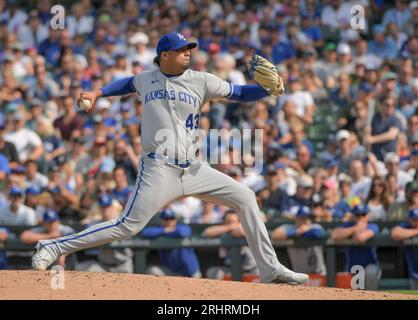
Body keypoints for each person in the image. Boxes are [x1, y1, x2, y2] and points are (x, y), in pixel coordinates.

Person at [32, 32, 309, 285]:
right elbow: (126, 84)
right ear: (164, 55)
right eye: (181, 49)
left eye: (189, 48)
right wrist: (98, 92)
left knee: (246, 197)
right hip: (158, 168)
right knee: (127, 226)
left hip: (194, 168)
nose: (188, 52)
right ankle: (53, 246)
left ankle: (270, 269)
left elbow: (239, 93)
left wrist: (266, 89)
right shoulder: (146, 78)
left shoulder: (201, 79)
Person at [331, 204, 381, 290]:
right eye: (358, 215)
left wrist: (351, 233)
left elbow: (360, 238)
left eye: (363, 214)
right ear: (353, 216)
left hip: (370, 266)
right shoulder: (350, 225)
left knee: (371, 272)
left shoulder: (372, 226)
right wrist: (354, 229)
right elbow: (334, 234)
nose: (361, 217)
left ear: (367, 215)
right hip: (353, 268)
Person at [141, 208, 201, 278]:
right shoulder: (161, 230)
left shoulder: (182, 227)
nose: (169, 221)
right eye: (166, 219)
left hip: (191, 273)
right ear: (162, 221)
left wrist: (166, 232)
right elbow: (145, 233)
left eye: (171, 218)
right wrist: (165, 230)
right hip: (171, 272)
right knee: (152, 270)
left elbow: (183, 232)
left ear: (175, 220)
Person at [203, 209, 258, 280]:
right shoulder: (225, 230)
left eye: (233, 222)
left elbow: (241, 231)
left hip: (252, 269)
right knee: (212, 272)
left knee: (261, 273)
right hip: (231, 270)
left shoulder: (245, 228)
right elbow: (207, 232)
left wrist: (232, 228)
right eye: (228, 222)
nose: (231, 224)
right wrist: (230, 227)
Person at [271, 206, 327, 276]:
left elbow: (318, 233)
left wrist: (301, 232)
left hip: (318, 274)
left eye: (308, 218)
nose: (306, 220)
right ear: (296, 219)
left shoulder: (315, 227)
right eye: (302, 218)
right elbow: (275, 235)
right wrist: (297, 232)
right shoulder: (291, 228)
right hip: (299, 275)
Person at [391, 208, 418, 289]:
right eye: (415, 219)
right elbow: (395, 234)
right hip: (414, 275)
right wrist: (416, 231)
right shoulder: (407, 226)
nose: (417, 222)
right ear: (410, 220)